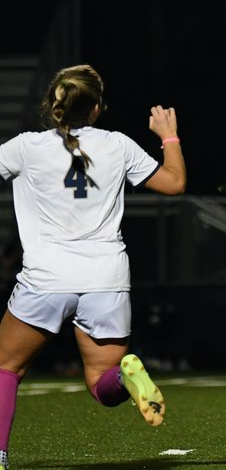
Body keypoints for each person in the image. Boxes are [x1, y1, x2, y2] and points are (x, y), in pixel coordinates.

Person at [0, 65, 187, 470]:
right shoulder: (117, 145)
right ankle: (125, 377)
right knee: (102, 384)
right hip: (106, 278)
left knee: (6, 368)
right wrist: (167, 135)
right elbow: (174, 183)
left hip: (46, 277)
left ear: (53, 105)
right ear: (98, 108)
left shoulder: (26, 147)